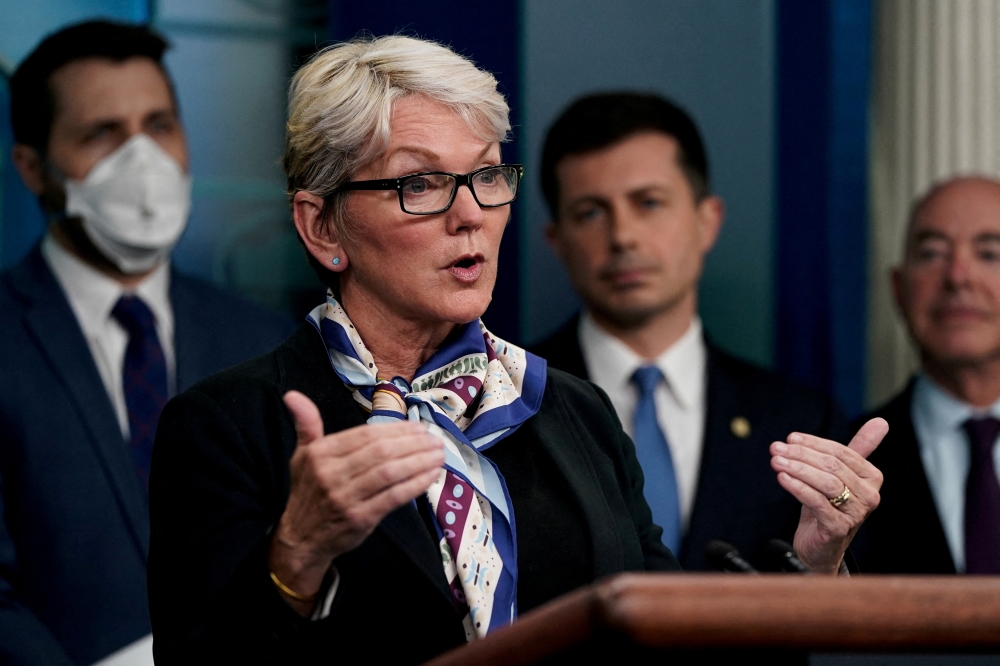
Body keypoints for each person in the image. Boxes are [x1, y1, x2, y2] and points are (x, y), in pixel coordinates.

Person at [147, 35, 886, 664]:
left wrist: (814, 566)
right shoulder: (227, 426)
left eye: (486, 175)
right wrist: (297, 555)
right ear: (322, 227)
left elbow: (668, 643)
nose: (470, 213)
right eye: (421, 183)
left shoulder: (573, 411)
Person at [0, 21, 293, 666]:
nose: (143, 160)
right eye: (102, 134)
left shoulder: (264, 341)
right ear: (32, 167)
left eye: (159, 126)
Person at [531, 93, 852, 570]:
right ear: (557, 241)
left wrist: (826, 566)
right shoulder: (506, 404)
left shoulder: (800, 421)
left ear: (707, 221)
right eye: (590, 213)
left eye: (649, 203)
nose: (623, 236)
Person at [854, 176, 1000, 574]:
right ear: (898, 288)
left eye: (989, 254)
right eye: (932, 254)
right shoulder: (846, 461)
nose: (958, 277)